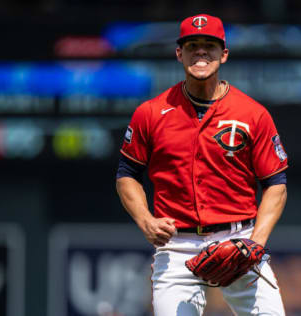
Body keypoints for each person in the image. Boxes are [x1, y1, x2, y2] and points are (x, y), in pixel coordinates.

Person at [116, 13, 288, 316]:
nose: (200, 53)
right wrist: (145, 220)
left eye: (209, 45)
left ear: (223, 54)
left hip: (240, 239)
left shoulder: (253, 113)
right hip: (177, 245)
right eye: (192, 45)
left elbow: (275, 184)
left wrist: (256, 243)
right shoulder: (151, 112)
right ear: (179, 53)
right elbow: (127, 174)